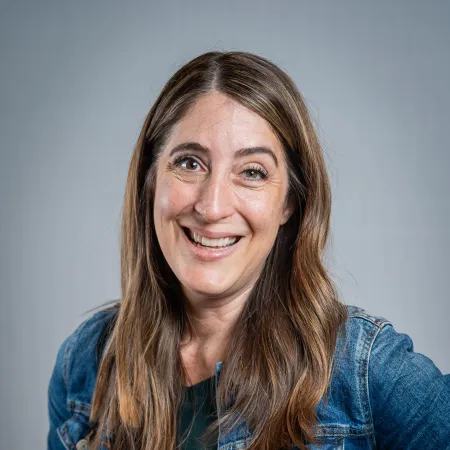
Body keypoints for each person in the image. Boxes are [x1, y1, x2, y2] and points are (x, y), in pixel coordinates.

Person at [47, 51, 450, 450]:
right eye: (189, 163)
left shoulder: (363, 368)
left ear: (290, 203)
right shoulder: (85, 363)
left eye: (252, 172)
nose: (212, 206)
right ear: (151, 180)